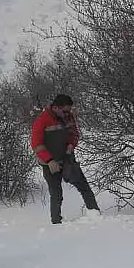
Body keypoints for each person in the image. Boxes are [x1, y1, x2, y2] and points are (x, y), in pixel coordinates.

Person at [30, 94, 99, 224]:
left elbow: (75, 134)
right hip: (50, 164)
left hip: (67, 160)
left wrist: (71, 146)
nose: (67, 114)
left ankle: (95, 214)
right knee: (56, 194)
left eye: (69, 111)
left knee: (84, 187)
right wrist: (49, 160)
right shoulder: (42, 120)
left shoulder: (68, 117)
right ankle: (56, 224)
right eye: (65, 111)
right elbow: (36, 144)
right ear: (56, 107)